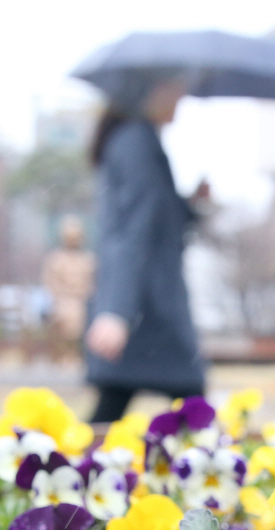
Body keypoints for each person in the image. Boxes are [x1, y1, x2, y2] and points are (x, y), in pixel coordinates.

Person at [85, 72, 207, 423]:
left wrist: (192, 204)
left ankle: (67, 470)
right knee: (193, 409)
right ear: (150, 92)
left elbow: (156, 220)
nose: (181, 100)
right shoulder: (136, 143)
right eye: (176, 90)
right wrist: (116, 312)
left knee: (116, 404)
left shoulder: (138, 141)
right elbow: (133, 232)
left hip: (147, 302)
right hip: (148, 305)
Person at [42, 215, 96, 362]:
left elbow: (93, 284)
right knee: (67, 314)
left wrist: (83, 295)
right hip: (62, 301)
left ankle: (78, 355)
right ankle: (66, 355)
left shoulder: (88, 259)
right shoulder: (55, 259)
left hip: (83, 300)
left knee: (81, 313)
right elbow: (51, 284)